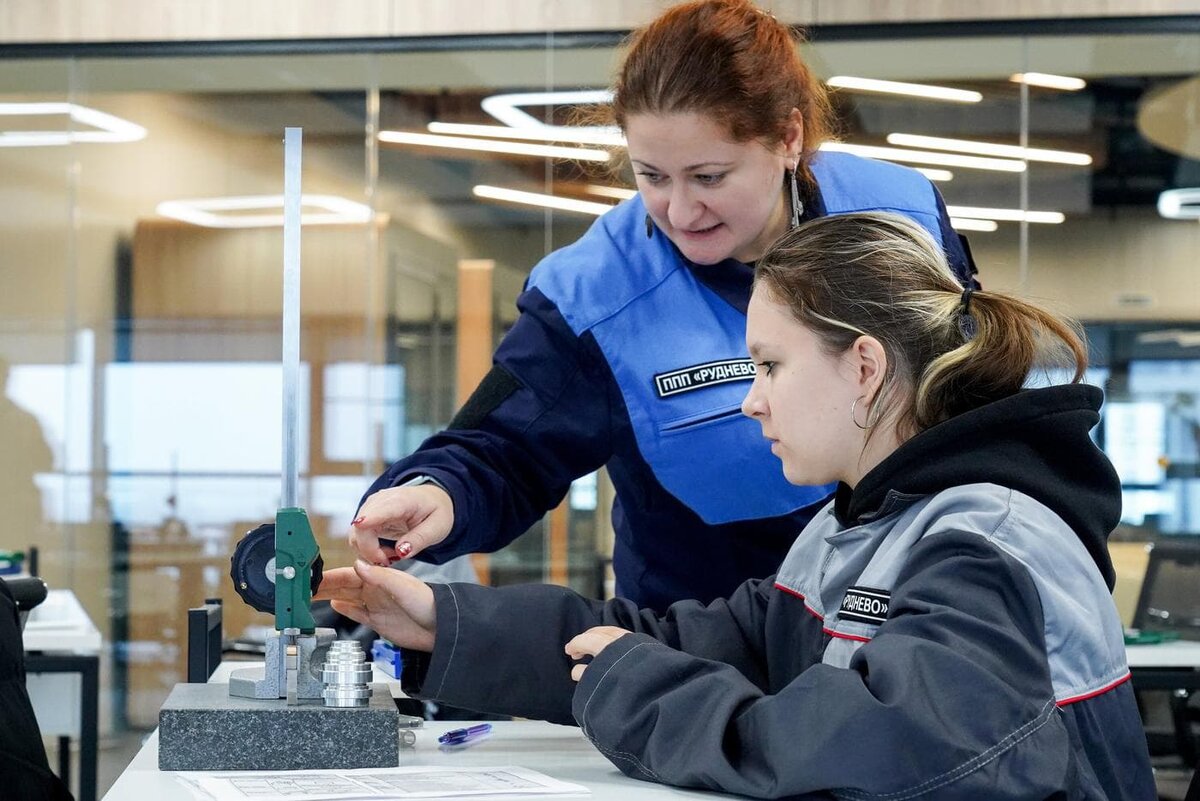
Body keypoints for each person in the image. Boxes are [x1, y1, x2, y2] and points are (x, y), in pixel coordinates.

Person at [317, 212, 1154, 799]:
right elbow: (705, 644)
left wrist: (636, 685)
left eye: (769, 366)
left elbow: (888, 748)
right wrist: (442, 621)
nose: (751, 401)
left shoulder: (982, 540)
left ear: (863, 367)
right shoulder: (854, 525)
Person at [349, 0, 978, 612]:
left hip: (909, 614)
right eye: (651, 176)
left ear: (788, 137)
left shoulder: (903, 216)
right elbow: (503, 448)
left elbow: (973, 398)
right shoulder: (591, 294)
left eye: (709, 177)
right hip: (705, 648)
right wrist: (439, 491)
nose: (680, 211)